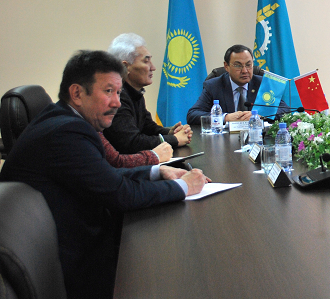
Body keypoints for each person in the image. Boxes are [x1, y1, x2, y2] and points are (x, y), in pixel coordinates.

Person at [0, 50, 209, 299]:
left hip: (74, 238)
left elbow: (105, 175)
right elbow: (120, 194)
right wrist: (184, 187)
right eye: (108, 91)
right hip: (73, 262)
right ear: (77, 93)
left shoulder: (65, 119)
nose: (117, 102)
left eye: (118, 93)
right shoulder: (66, 132)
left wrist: (157, 171)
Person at [104, 33, 192, 153]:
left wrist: (170, 132)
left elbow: (147, 127)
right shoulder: (117, 98)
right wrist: (174, 139)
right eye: (146, 61)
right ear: (125, 66)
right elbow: (131, 143)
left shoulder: (134, 92)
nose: (153, 67)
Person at [187, 44, 288, 125]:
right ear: (226, 66)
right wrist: (225, 117)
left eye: (248, 65)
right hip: (225, 140)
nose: (245, 71)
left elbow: (286, 110)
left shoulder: (263, 84)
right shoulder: (213, 86)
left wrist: (261, 115)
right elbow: (193, 115)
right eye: (238, 66)